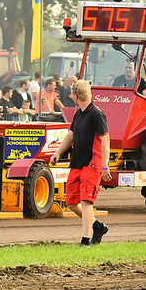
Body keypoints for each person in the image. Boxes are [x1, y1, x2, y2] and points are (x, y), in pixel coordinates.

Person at [50, 80, 110, 247]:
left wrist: (105, 165)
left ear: (76, 96)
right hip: (77, 163)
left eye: (71, 94)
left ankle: (85, 241)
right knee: (70, 202)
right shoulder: (78, 113)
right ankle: (97, 226)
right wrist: (57, 152)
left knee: (86, 201)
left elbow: (105, 139)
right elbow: (70, 135)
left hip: (92, 164)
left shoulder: (96, 114)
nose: (71, 97)